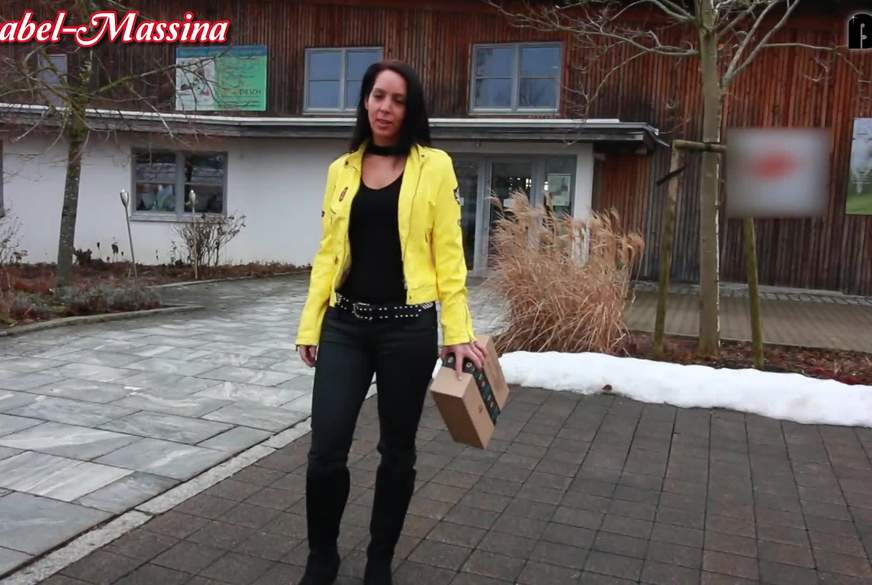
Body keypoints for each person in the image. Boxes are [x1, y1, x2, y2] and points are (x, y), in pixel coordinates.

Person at [294, 60, 487, 585]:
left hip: (408, 330)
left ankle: (380, 559)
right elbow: (328, 253)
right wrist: (311, 324)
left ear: (410, 109)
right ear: (365, 100)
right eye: (378, 95)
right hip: (345, 327)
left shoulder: (435, 166)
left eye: (398, 100)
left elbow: (450, 255)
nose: (386, 107)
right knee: (325, 451)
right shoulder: (341, 170)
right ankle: (322, 556)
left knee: (397, 452)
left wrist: (458, 333)